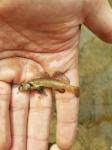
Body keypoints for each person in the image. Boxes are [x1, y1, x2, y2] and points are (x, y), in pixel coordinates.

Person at [0, 0, 112, 149]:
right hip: (54, 82)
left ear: (29, 85)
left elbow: (39, 86)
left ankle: (71, 89)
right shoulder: (34, 84)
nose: (24, 88)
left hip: (55, 82)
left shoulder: (33, 84)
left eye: (24, 87)